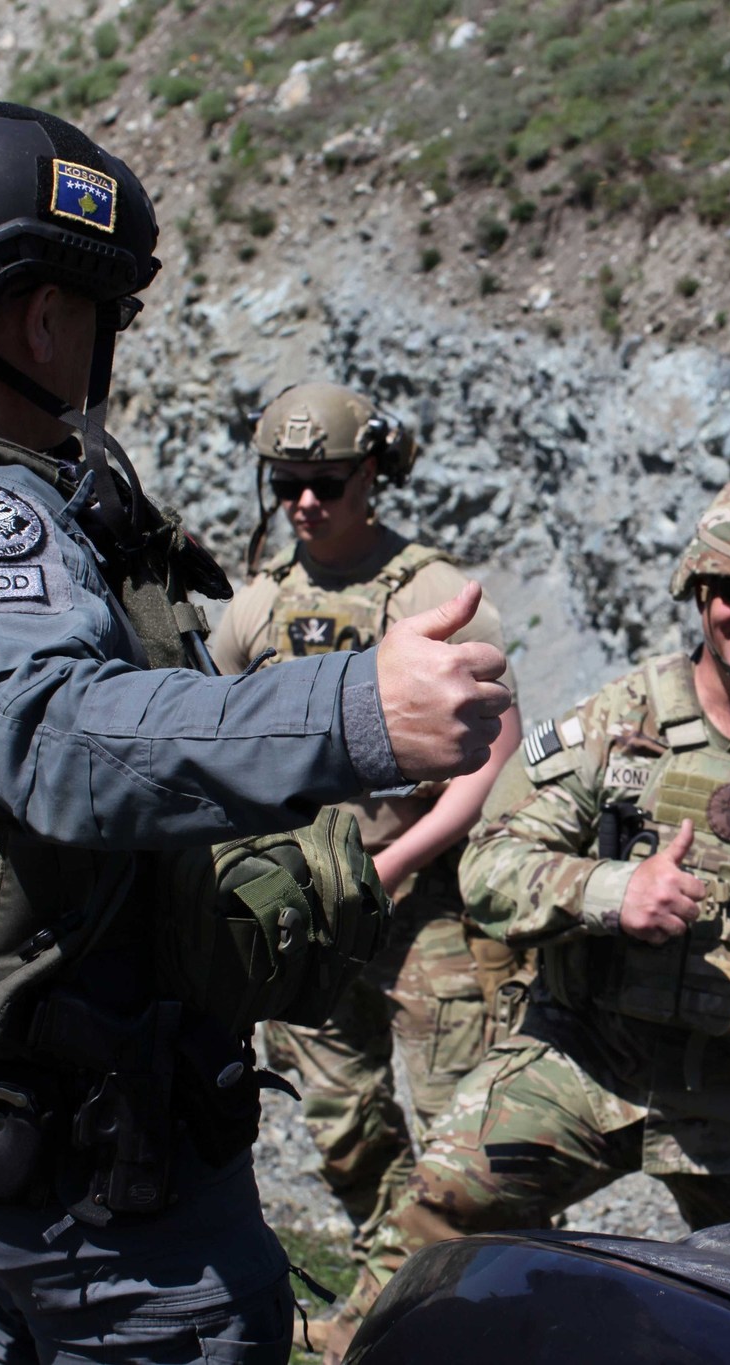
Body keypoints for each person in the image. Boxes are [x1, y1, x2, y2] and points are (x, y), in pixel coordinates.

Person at [0, 103, 508, 1363]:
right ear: (43, 316)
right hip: (62, 1097)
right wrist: (359, 710)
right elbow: (58, 736)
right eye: (105, 314)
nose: (105, 346)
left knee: (27, 1310)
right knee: (197, 1321)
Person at [321, 480, 730, 1360]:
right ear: (700, 590)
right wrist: (609, 890)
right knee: (440, 1214)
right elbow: (489, 869)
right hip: (585, 1064)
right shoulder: (616, 724)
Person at [209, 382, 529, 1285]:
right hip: (304, 903)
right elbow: (211, 742)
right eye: (287, 485)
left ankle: (468, 1285)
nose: (306, 502)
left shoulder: (434, 593)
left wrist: (391, 865)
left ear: (372, 475)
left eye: (328, 482)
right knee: (341, 1120)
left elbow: (492, 755)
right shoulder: (257, 605)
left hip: (422, 903)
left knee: (466, 1123)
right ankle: (395, 1279)